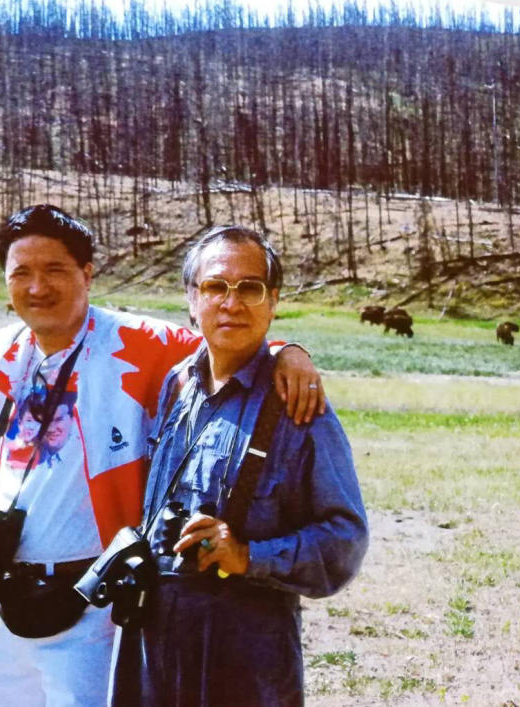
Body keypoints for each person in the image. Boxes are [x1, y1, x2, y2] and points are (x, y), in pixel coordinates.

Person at [0, 205, 325, 707]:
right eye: (22, 273)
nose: (38, 287)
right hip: (2, 597)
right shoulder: (5, 349)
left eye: (55, 270)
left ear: (87, 274)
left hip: (92, 605)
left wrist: (285, 350)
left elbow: (227, 339)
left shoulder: (138, 343)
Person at [109, 225, 369, 707]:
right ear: (192, 300)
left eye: (249, 288)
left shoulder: (296, 403)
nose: (232, 303)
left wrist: (248, 556)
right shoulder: (176, 385)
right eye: (215, 286)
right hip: (156, 634)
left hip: (247, 649)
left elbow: (345, 540)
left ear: (272, 302)